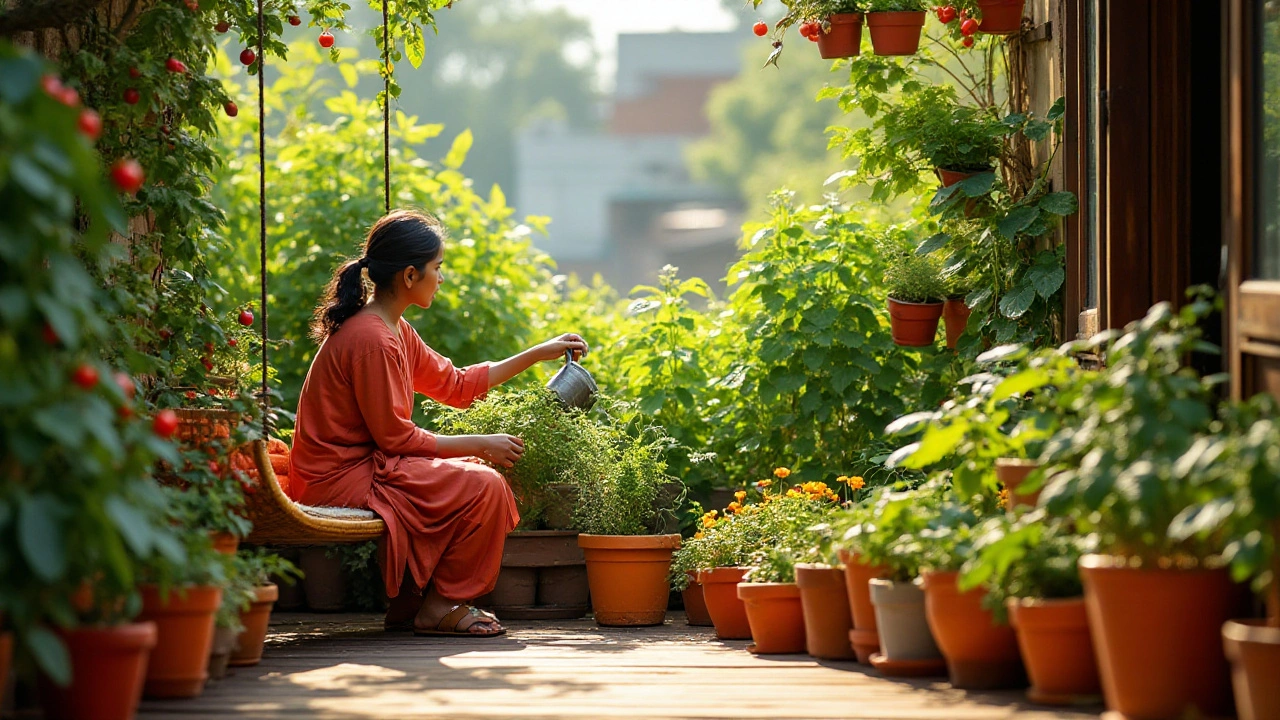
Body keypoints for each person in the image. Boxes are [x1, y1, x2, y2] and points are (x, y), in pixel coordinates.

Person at [288, 209, 588, 637]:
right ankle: (441, 604)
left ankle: (423, 602)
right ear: (410, 276)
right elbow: (394, 438)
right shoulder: (373, 339)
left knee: (481, 478)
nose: (441, 278)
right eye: (437, 268)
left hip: (367, 468)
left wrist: (537, 353)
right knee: (485, 485)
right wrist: (480, 444)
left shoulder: (394, 329)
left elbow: (458, 386)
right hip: (336, 479)